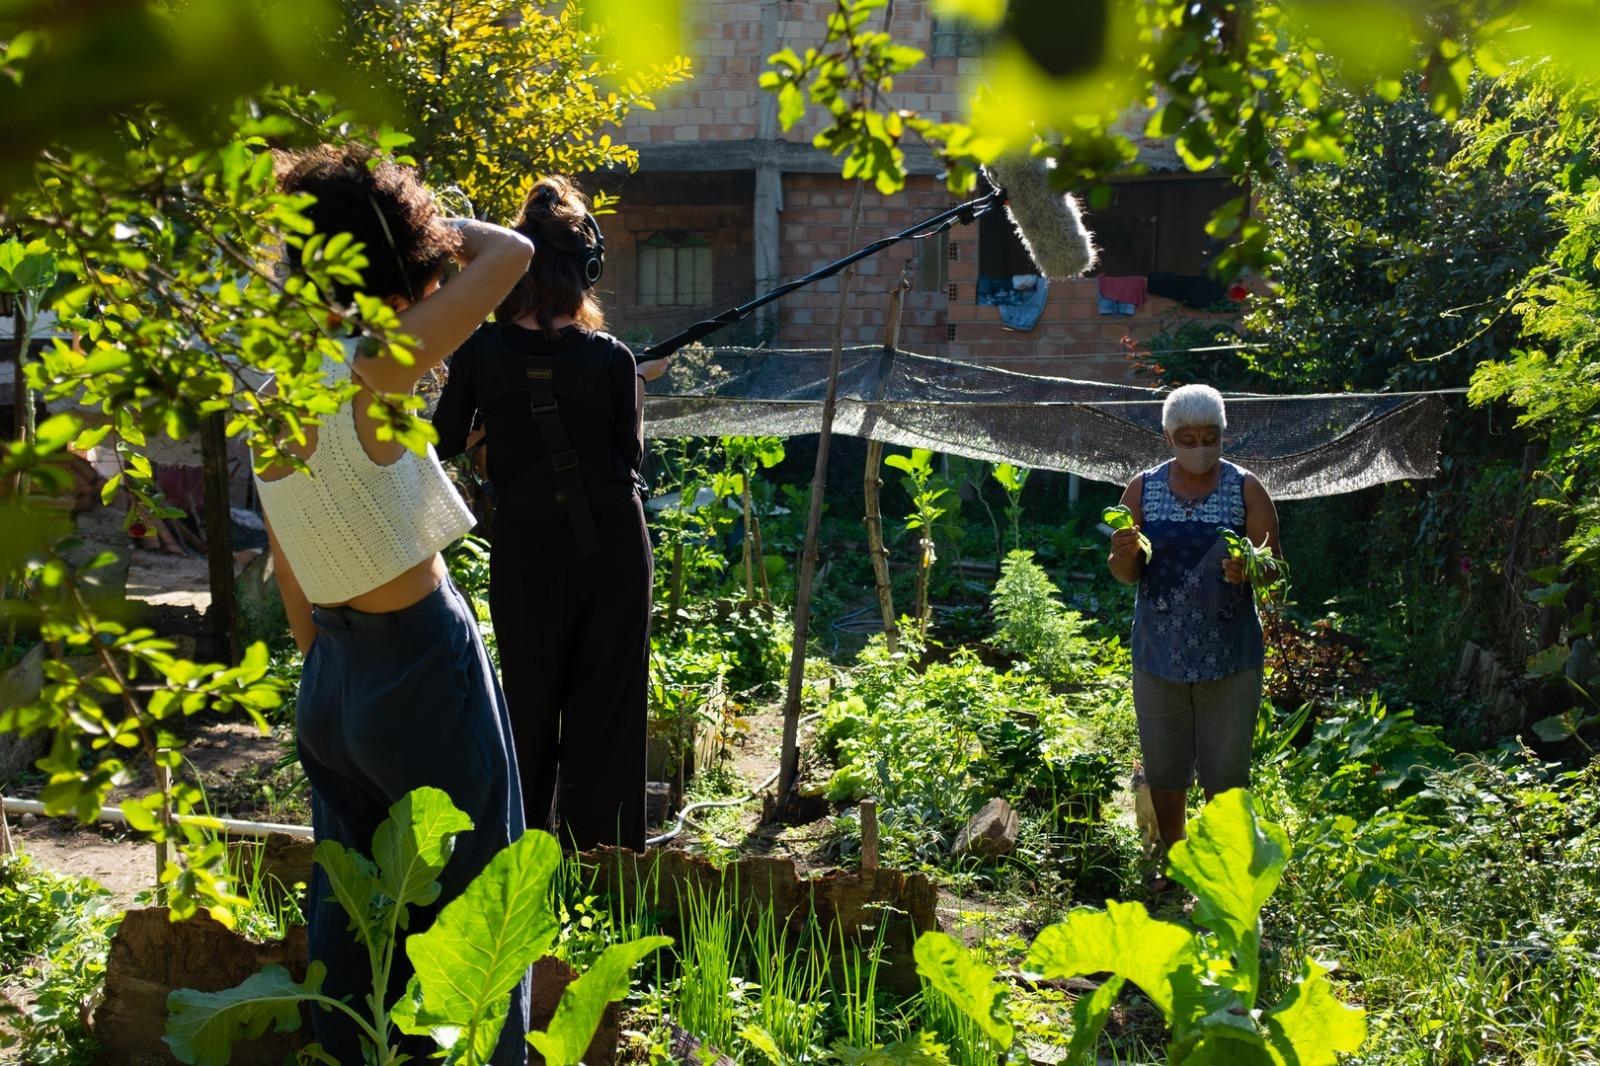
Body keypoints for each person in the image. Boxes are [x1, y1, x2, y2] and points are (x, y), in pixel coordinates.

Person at [255, 144, 534, 1065]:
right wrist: (416, 221)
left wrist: (334, 672)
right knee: (478, 909)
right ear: (389, 260)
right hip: (416, 658)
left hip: (330, 678)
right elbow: (512, 256)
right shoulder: (375, 366)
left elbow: (293, 574)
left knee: (347, 924)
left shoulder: (273, 390)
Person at [433, 175, 658, 852]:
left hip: (528, 550)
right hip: (613, 549)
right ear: (585, 271)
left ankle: (524, 872)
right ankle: (607, 876)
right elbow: (630, 458)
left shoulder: (479, 351)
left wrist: (491, 435)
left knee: (526, 712)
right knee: (609, 716)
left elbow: (441, 440)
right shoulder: (613, 358)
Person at [1106, 383, 1281, 889]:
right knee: (1165, 760)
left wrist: (1249, 569)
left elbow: (1273, 565)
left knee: (1226, 768)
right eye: (1187, 437)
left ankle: (1222, 869)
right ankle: (1173, 860)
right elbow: (1126, 572)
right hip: (1159, 650)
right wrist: (1122, 555)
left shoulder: (1246, 488)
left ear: (1223, 436)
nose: (1199, 447)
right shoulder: (1143, 489)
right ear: (1168, 437)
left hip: (1230, 655)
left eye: (1210, 437)